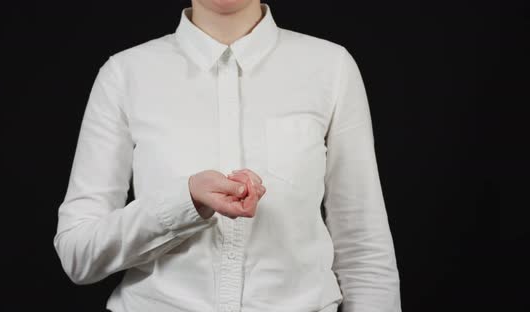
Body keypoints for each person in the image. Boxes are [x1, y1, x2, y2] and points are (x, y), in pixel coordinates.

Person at [53, 1, 402, 311]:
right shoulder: (124, 75)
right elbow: (78, 252)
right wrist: (185, 202)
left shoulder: (331, 67)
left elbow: (364, 251)